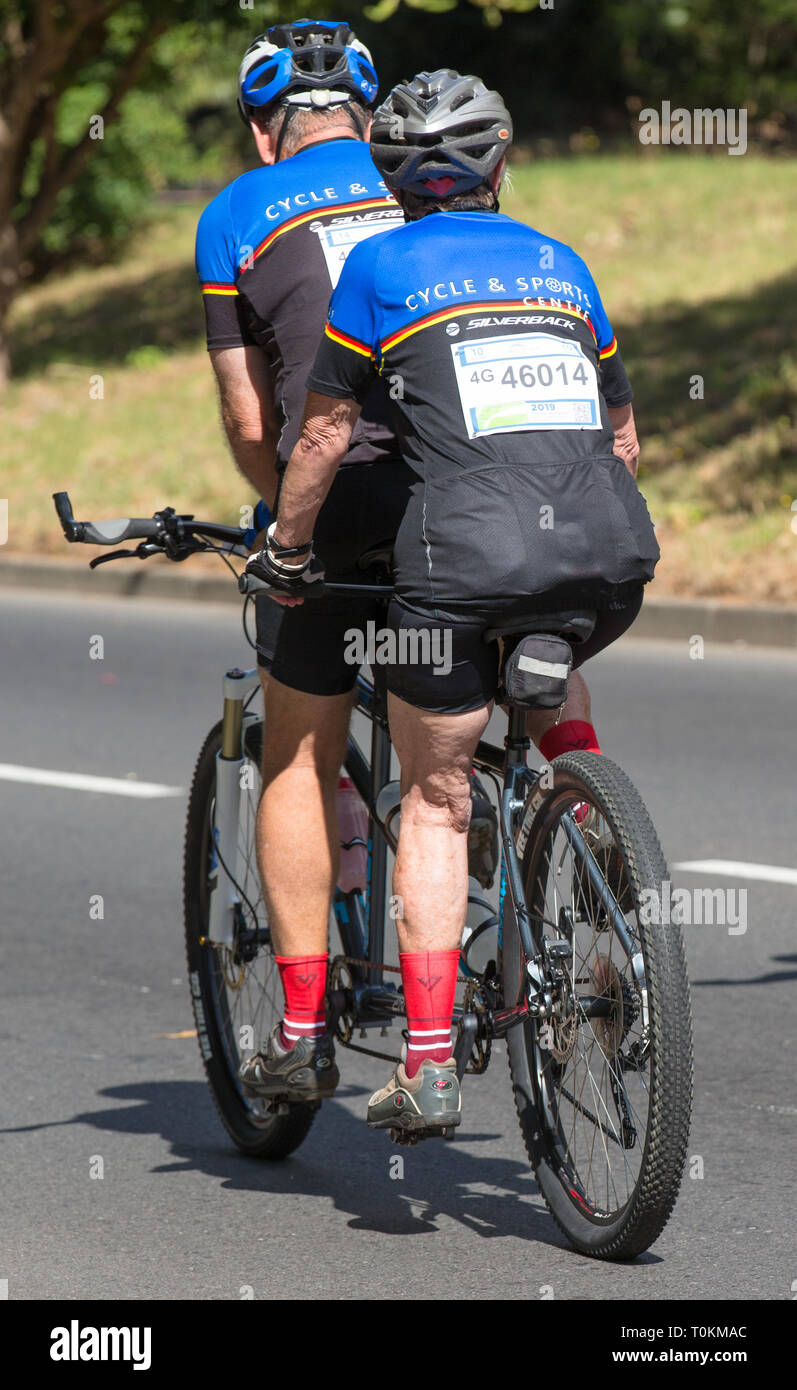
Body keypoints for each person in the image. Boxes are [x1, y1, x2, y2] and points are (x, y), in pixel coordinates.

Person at [247, 69, 659, 1135]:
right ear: (501, 162)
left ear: (392, 178)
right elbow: (619, 438)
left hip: (459, 566)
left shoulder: (379, 265)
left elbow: (326, 435)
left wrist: (288, 547)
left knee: (436, 799)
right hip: (609, 559)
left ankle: (427, 1063)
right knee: (541, 628)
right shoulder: (560, 263)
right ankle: (571, 782)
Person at [196, 28, 497, 1108]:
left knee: (298, 757)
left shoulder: (235, 211)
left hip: (338, 502)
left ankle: (299, 1028)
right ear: (369, 120)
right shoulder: (421, 183)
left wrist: (280, 521)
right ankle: (565, 806)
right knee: (467, 733)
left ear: (258, 125)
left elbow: (247, 411)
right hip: (474, 491)